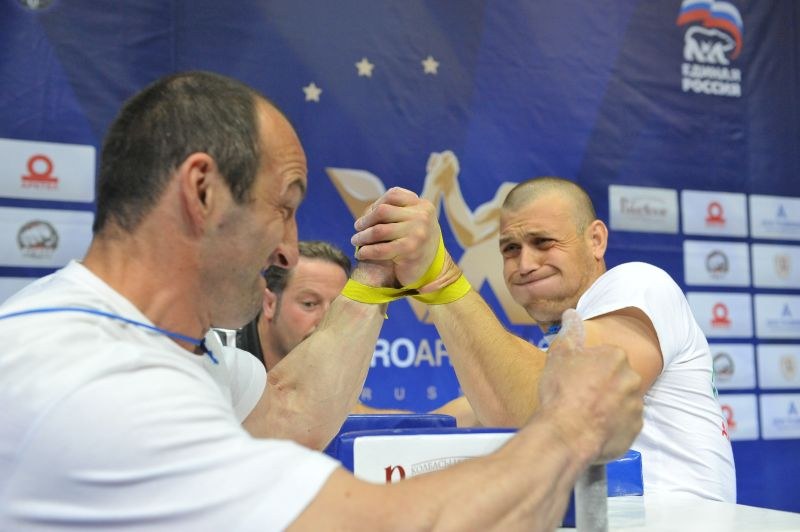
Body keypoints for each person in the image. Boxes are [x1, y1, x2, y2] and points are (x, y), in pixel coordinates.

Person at [0, 71, 642, 530]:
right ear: (202, 192)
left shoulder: (176, 353)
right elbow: (395, 525)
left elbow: (289, 411)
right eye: (284, 207)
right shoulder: (95, 381)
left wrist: (372, 279)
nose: (287, 250)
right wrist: (571, 427)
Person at [353, 176, 735, 502]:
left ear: (596, 240)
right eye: (511, 249)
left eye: (543, 242)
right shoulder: (548, 355)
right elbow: (438, 425)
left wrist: (437, 278)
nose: (525, 264)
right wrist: (336, 416)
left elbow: (557, 412)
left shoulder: (639, 284)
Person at [232, 239, 478, 426]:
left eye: (337, 306)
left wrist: (455, 416)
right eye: (309, 304)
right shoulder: (221, 359)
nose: (328, 321)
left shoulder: (324, 362)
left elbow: (358, 418)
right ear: (269, 304)